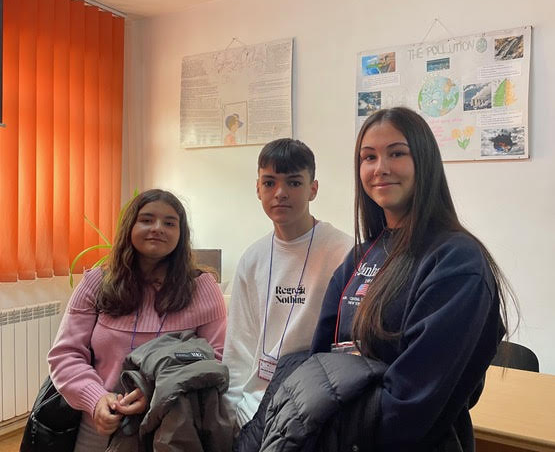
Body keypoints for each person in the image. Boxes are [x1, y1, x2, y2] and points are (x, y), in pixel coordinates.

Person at [307, 107, 516, 451]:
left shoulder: (456, 262)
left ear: (424, 161)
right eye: (368, 157)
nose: (380, 168)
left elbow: (410, 407)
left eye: (397, 153)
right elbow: (318, 365)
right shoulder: (359, 257)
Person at [48, 189, 228, 451]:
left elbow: (217, 359)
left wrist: (154, 391)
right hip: (101, 424)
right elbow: (65, 355)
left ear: (181, 234)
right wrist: (96, 399)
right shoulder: (96, 283)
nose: (158, 228)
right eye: (146, 220)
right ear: (129, 226)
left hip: (174, 427)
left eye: (169, 223)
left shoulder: (202, 288)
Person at [222, 138, 352, 429]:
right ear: (258, 189)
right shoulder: (252, 259)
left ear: (312, 189)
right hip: (255, 409)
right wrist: (231, 417)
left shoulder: (344, 253)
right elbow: (239, 349)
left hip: (315, 405)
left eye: (293, 183)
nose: (280, 193)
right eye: (269, 183)